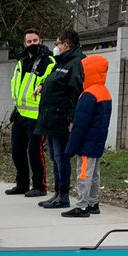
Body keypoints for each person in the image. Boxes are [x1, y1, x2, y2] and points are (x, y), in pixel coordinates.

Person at [35, 29, 86, 209]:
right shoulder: (61, 62)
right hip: (51, 117)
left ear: (65, 44)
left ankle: (63, 196)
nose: (55, 47)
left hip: (61, 118)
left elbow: (75, 91)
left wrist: (71, 118)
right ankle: (57, 193)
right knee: (55, 158)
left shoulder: (75, 62)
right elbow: (55, 81)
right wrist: (43, 86)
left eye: (57, 43)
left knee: (61, 157)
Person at [4, 28, 53, 197]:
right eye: (29, 41)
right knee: (17, 151)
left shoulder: (48, 62)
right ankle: (22, 184)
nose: (32, 44)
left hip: (37, 115)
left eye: (35, 41)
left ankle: (40, 186)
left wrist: (43, 86)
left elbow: (50, 81)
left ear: (41, 41)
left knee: (34, 152)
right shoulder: (21, 61)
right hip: (20, 113)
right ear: (24, 44)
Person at [62, 54, 113, 217]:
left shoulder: (88, 95)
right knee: (95, 174)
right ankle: (93, 203)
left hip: (86, 143)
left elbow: (80, 125)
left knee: (84, 174)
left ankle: (82, 206)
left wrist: (70, 148)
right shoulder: (105, 92)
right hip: (98, 142)